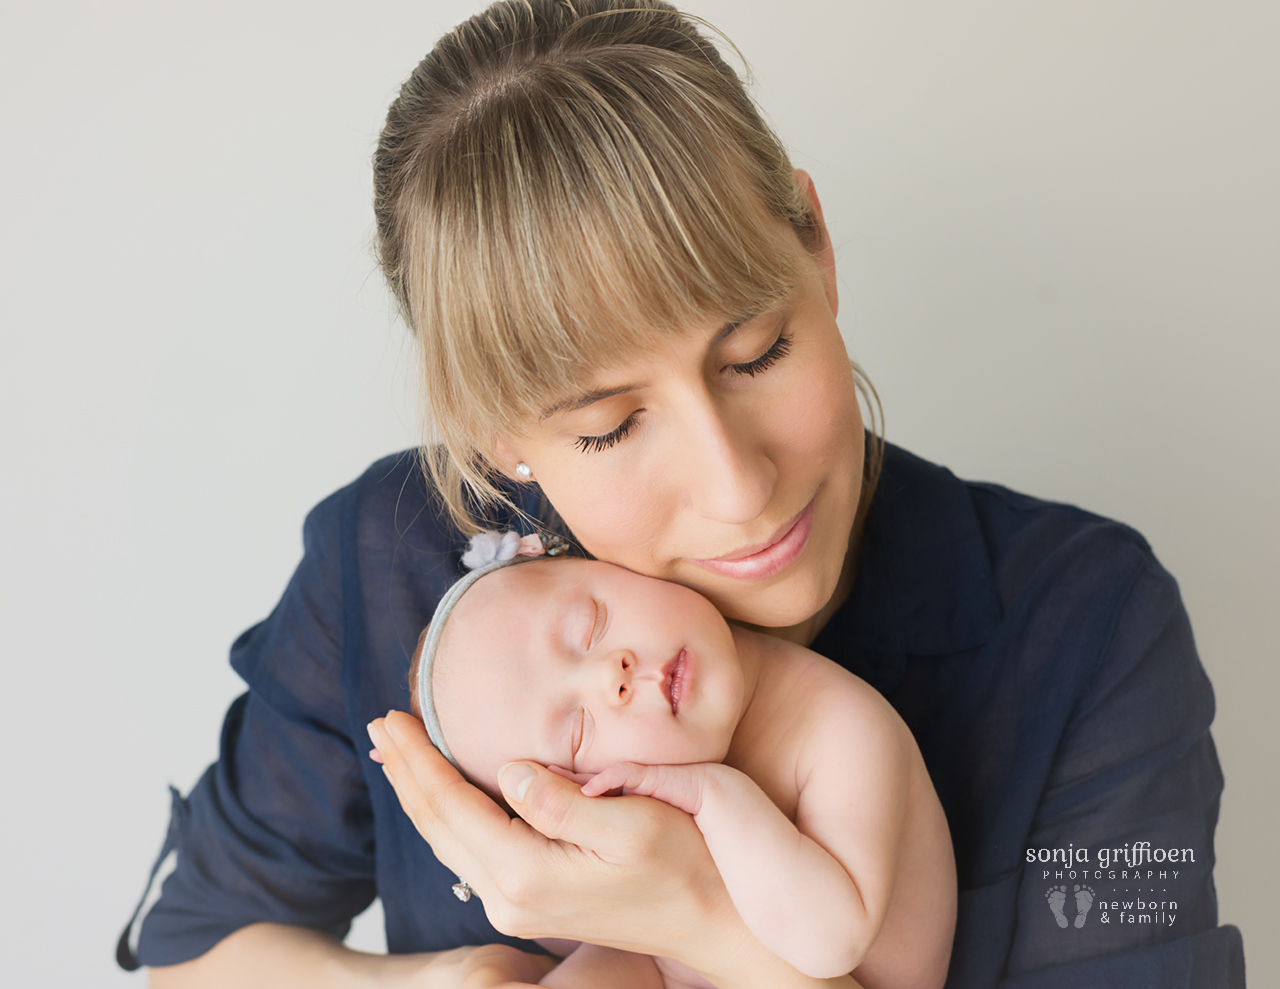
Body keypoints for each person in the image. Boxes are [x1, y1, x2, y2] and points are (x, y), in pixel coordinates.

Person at [121, 1, 1245, 986]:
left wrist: (697, 918)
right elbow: (201, 947)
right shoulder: (391, 563)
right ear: (497, 440)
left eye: (755, 350)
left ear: (816, 248)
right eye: (608, 425)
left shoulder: (1086, 630)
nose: (736, 482)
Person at [394, 540, 956, 988]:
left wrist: (715, 796)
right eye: (578, 732)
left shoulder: (841, 726)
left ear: (604, 561)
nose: (610, 675)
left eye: (589, 625)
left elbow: (830, 944)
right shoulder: (643, 802)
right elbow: (621, 938)